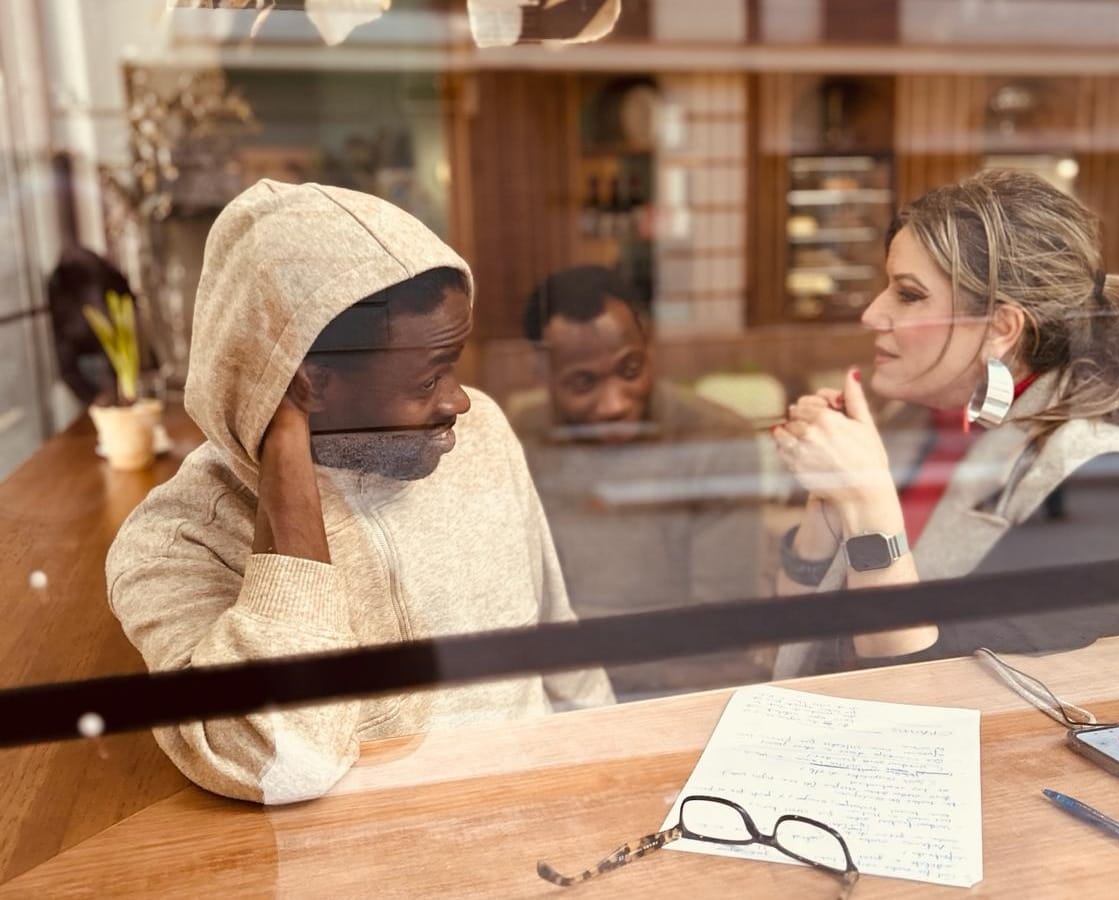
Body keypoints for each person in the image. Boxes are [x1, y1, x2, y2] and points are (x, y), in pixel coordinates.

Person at [106, 180, 613, 804]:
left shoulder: (484, 433)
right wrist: (283, 451)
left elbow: (557, 641)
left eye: (454, 365)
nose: (459, 401)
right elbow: (273, 763)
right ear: (308, 386)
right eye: (429, 377)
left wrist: (609, 776)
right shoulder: (176, 543)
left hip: (541, 820)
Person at [772, 169, 1119, 675]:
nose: (871, 313)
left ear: (1001, 328)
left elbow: (938, 690)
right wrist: (828, 498)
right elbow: (797, 634)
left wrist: (866, 501)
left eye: (908, 295)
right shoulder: (920, 430)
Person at [510, 265, 771, 700]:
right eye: (582, 382)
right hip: (558, 688)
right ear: (542, 372)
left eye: (629, 370)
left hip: (682, 689)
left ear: (649, 346)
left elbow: (725, 624)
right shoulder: (524, 434)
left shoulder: (715, 438)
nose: (613, 404)